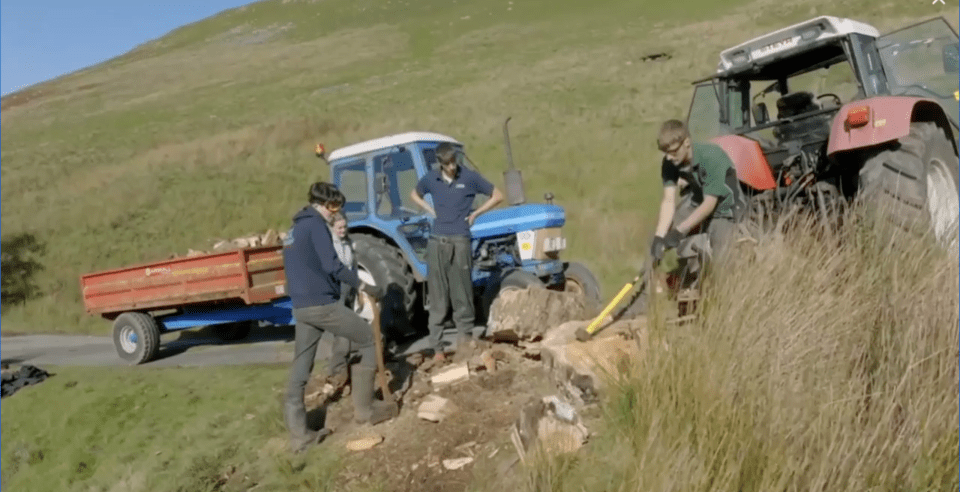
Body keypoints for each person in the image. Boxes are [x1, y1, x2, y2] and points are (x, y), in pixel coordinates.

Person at [281, 182, 397, 454]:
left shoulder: (294, 229)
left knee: (301, 368)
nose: (335, 214)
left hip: (301, 306)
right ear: (322, 205)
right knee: (369, 339)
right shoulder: (316, 226)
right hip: (321, 304)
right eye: (333, 208)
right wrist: (365, 286)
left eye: (338, 209)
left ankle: (299, 438)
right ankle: (365, 410)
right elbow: (333, 265)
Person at [410, 142, 503, 360]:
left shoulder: (469, 177)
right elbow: (414, 194)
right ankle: (438, 348)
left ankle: (465, 339)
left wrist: (475, 214)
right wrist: (430, 210)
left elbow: (498, 195)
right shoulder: (431, 179)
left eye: (454, 162)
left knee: (462, 291)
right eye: (447, 164)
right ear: (440, 163)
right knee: (438, 294)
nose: (452, 167)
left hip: (460, 240)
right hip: (437, 242)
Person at [650, 119, 744, 271]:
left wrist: (679, 231)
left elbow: (709, 204)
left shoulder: (711, 156)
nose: (669, 158)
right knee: (657, 240)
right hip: (697, 203)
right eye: (665, 153)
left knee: (722, 258)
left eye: (673, 152)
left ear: (687, 142)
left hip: (725, 209)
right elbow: (668, 200)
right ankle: (656, 284)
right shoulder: (669, 162)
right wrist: (659, 237)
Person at [317, 212, 357, 392]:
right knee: (342, 333)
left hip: (349, 289)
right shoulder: (329, 246)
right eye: (339, 227)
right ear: (331, 228)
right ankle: (337, 372)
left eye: (344, 227)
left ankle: (345, 367)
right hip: (337, 290)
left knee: (350, 329)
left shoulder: (348, 242)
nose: (343, 230)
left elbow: (351, 266)